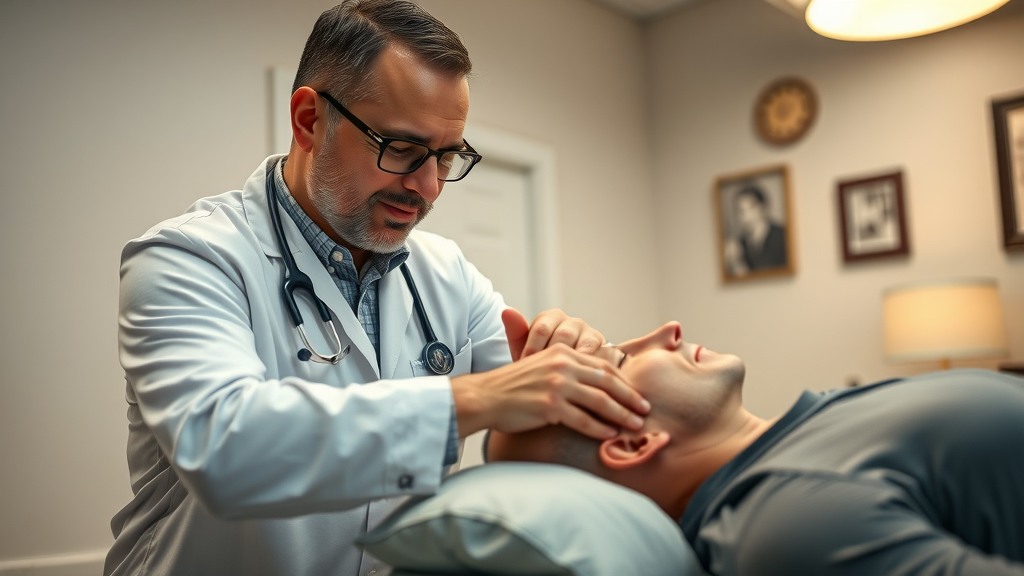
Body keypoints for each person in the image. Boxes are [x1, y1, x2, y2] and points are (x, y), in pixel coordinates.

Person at [105, 3, 650, 575]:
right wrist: (479, 398)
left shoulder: (447, 274)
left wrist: (566, 359)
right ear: (309, 120)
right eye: (403, 149)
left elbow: (537, 416)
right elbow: (225, 450)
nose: (429, 186)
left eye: (446, 157)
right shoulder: (188, 258)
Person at [488, 315, 1024, 576]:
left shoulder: (799, 448)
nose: (665, 329)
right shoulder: (792, 520)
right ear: (633, 442)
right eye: (623, 358)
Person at [722, 185, 787, 277]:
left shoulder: (783, 236)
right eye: (741, 211)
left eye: (751, 208)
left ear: (764, 208)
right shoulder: (739, 245)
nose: (746, 216)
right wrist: (735, 261)